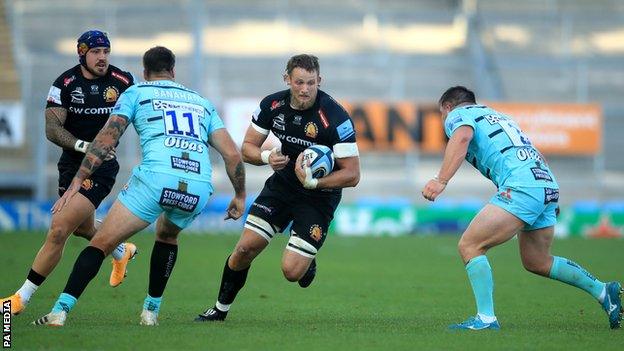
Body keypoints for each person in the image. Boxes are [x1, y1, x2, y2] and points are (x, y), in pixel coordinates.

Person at [32, 46, 246, 326]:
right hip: (196, 186)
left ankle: (59, 312)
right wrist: (240, 196)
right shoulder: (202, 103)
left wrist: (75, 183)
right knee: (168, 236)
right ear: (173, 71)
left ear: (144, 73)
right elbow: (231, 155)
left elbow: (105, 141)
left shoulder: (136, 92)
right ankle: (150, 313)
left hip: (156, 180)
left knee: (101, 243)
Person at [422, 86, 623, 330]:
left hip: (522, 186)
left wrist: (440, 180)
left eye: (443, 115)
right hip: (545, 184)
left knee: (470, 245)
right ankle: (603, 291)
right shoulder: (499, 117)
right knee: (537, 260)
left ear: (447, 107)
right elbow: (534, 152)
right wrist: (547, 196)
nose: (446, 122)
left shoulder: (458, 115)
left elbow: (462, 137)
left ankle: (485, 319)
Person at [195, 54, 360, 322]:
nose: (305, 89)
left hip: (319, 196)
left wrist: (314, 181)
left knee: (291, 272)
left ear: (320, 80)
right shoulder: (272, 105)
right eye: (299, 82)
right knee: (244, 250)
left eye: (311, 83)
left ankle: (306, 259)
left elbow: (353, 174)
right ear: (287, 80)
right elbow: (247, 148)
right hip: (282, 186)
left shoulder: (335, 117)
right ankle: (219, 310)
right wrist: (266, 157)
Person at [1, 30, 137, 315]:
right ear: (82, 53)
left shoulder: (123, 82)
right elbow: (52, 129)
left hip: (102, 167)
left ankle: (20, 298)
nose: (102, 58)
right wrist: (83, 145)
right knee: (85, 229)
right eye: (96, 52)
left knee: (60, 228)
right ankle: (121, 251)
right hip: (71, 164)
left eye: (106, 51)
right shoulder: (64, 83)